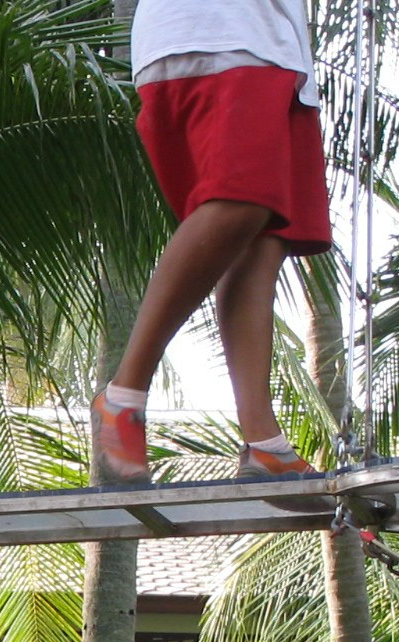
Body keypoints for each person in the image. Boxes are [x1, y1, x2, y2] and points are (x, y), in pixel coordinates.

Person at [90, 0, 331, 485]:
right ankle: (125, 392)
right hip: (220, 32)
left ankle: (264, 445)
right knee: (241, 201)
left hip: (275, 47)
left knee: (262, 242)